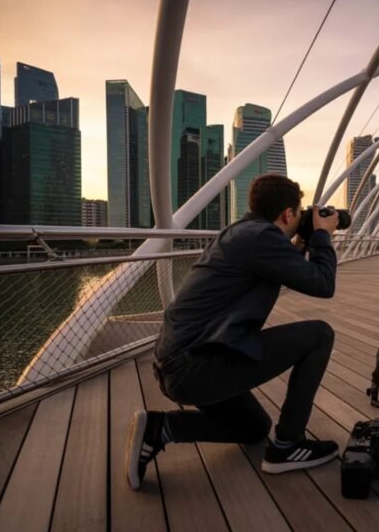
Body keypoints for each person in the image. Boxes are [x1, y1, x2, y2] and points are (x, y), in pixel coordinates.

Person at [126, 174, 341, 490]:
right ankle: (287, 447)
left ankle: (161, 428)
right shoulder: (260, 239)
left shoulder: (242, 233)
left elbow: (280, 266)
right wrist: (322, 236)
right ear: (288, 215)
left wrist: (301, 243)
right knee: (319, 335)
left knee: (254, 427)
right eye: (299, 213)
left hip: (178, 364)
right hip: (195, 366)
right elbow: (323, 284)